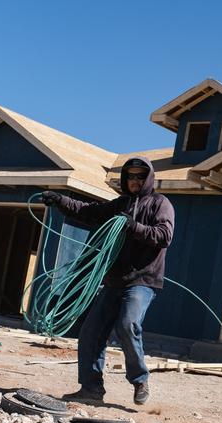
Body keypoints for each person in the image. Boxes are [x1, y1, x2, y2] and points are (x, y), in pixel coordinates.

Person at [41, 156, 174, 405]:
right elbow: (88, 212)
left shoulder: (160, 203)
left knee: (127, 323)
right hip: (114, 280)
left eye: (140, 176)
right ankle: (91, 388)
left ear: (148, 178)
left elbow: (164, 235)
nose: (135, 181)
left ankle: (140, 380)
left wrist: (133, 226)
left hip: (143, 280)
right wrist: (60, 200)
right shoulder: (119, 205)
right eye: (130, 176)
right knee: (91, 331)